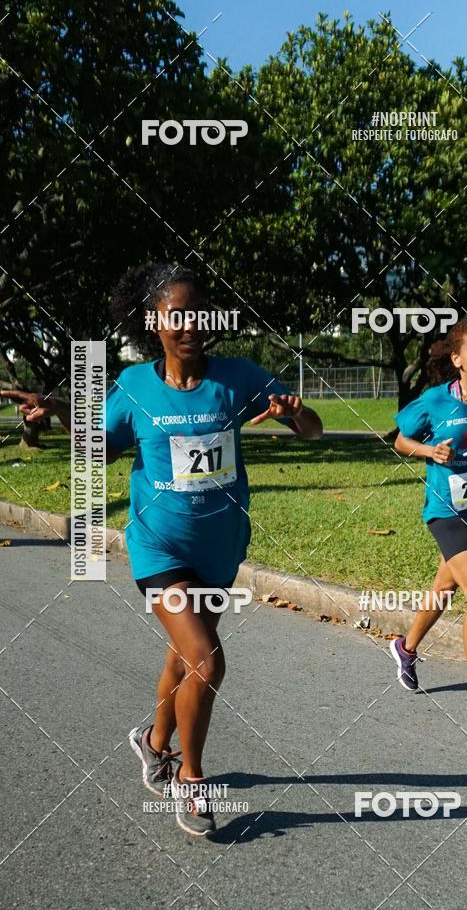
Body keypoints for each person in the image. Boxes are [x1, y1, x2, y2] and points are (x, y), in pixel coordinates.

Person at [1, 263, 323, 835]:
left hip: (220, 549)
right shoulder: (133, 386)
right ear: (154, 322)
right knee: (206, 658)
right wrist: (54, 416)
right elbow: (98, 449)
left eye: (201, 313)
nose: (193, 325)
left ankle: (152, 743)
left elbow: (314, 430)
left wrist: (296, 415)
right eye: (179, 315)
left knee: (183, 659)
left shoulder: (238, 377)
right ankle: (192, 781)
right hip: (158, 548)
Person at [389, 318, 467, 721]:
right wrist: (429, 452)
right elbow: (400, 440)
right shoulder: (435, 401)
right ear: (457, 358)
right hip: (445, 512)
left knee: (443, 589)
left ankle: (405, 648)